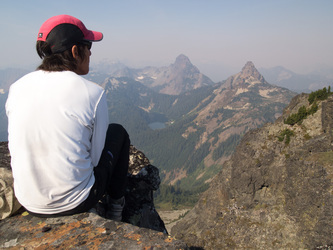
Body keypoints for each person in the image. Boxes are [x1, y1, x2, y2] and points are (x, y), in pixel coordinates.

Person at [5, 15, 130, 221]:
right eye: (88, 45)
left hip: (28, 201)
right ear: (74, 51)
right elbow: (96, 159)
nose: (90, 52)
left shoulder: (17, 87)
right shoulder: (92, 93)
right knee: (118, 132)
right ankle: (116, 208)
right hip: (76, 202)